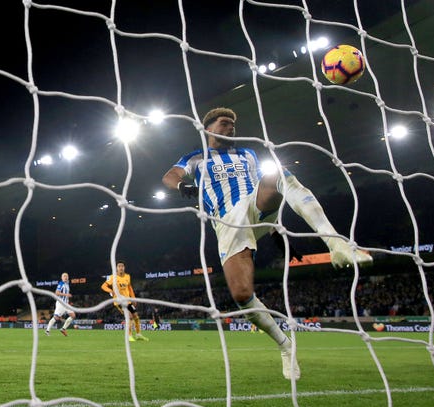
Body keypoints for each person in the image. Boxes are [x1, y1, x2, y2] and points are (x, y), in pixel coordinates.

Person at [162, 107, 372, 380]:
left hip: (253, 205)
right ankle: (285, 345)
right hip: (226, 222)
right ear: (208, 128)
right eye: (225, 123)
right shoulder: (195, 157)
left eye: (233, 124)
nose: (231, 128)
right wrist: (181, 187)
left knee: (279, 174)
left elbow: (261, 189)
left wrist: (275, 233)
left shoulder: (248, 154)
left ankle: (337, 244)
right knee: (241, 295)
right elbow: (169, 176)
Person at [101, 261, 148, 342]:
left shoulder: (127, 276)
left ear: (124, 267)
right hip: (119, 301)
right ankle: (129, 336)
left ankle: (138, 334)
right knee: (129, 316)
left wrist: (133, 298)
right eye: (119, 266)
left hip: (128, 301)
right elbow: (103, 286)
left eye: (122, 266)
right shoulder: (113, 277)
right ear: (116, 268)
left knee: (136, 316)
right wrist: (111, 291)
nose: (121, 267)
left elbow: (129, 288)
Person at [45, 272, 76, 336]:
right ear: (61, 278)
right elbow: (57, 293)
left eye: (67, 276)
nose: (66, 277)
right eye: (64, 276)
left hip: (66, 303)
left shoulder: (67, 284)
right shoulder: (61, 283)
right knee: (56, 317)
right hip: (61, 303)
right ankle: (47, 330)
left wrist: (68, 300)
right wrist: (66, 294)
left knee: (73, 315)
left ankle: (63, 329)